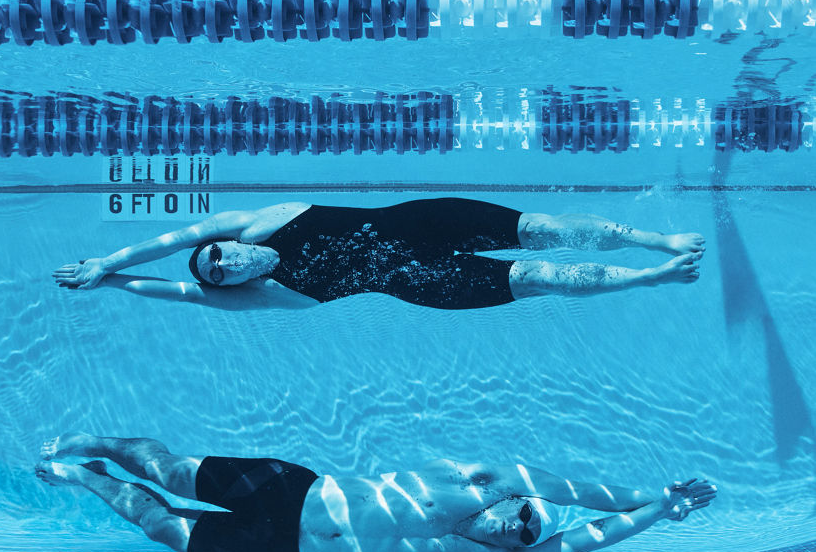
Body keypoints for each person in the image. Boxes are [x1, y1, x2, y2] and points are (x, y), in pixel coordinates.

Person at [36, 433, 716, 552]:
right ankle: (99, 442)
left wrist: (655, 517)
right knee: (171, 469)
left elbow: (581, 538)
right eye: (522, 519)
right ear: (511, 500)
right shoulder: (479, 478)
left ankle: (86, 478)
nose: (518, 532)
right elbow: (580, 495)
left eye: (521, 538)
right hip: (290, 491)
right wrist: (658, 495)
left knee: (161, 524)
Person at [52, 199, 705, 311]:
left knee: (542, 229)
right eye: (220, 276)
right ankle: (649, 276)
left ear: (227, 244)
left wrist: (108, 260)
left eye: (217, 256)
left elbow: (170, 243)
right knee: (537, 276)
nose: (225, 266)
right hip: (425, 281)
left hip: (428, 219)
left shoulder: (257, 223)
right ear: (230, 286)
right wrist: (114, 287)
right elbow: (178, 290)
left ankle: (657, 240)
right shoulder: (268, 297)